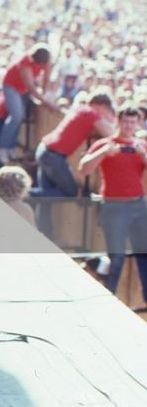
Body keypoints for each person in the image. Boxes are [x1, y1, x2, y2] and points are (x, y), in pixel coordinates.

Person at [79, 106, 147, 302]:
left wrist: (143, 155)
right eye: (126, 121)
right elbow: (83, 168)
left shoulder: (141, 145)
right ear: (118, 121)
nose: (129, 126)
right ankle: (108, 300)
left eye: (133, 122)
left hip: (139, 205)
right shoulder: (105, 144)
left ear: (138, 124)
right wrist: (103, 153)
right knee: (116, 258)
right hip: (114, 206)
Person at [30, 90, 115, 236]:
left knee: (45, 198)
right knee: (70, 193)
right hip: (53, 155)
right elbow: (111, 134)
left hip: (46, 150)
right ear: (102, 106)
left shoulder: (82, 110)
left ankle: (45, 234)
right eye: (107, 111)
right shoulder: (91, 113)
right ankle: (25, 194)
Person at [0, 43, 59, 164]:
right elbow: (31, 87)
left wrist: (44, 94)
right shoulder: (24, 62)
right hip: (11, 86)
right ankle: (2, 148)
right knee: (16, 116)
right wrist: (46, 103)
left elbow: (46, 78)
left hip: (22, 89)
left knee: (19, 117)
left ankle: (10, 147)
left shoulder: (47, 61)